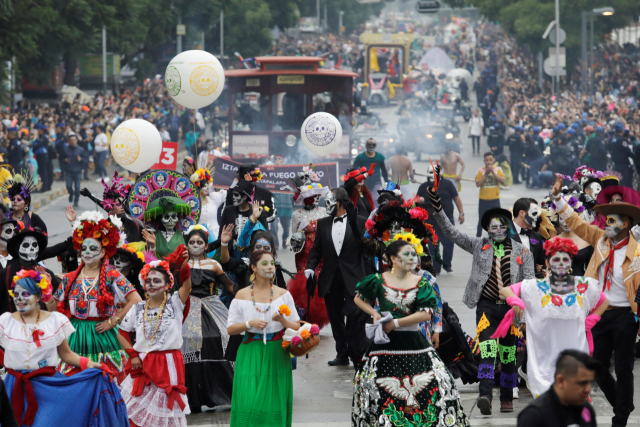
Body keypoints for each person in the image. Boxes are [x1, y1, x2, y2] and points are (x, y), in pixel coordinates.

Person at [427, 185, 534, 415]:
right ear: (487, 228)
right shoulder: (479, 245)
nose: (497, 228)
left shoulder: (522, 252)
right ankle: (485, 394)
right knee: (486, 351)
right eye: (493, 225)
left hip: (510, 310)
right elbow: (451, 233)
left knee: (507, 355)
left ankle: (506, 398)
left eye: (501, 225)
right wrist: (438, 207)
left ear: (507, 227)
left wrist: (523, 315)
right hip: (485, 308)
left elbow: (529, 285)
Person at [551, 174, 640, 427]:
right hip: (599, 313)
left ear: (624, 224)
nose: (606, 224)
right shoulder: (600, 240)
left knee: (623, 369)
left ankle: (620, 419)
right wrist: (558, 198)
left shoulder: (638, 252)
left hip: (625, 315)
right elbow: (575, 222)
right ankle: (622, 403)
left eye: (611, 221)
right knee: (598, 368)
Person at [352, 240, 470, 426]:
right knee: (374, 388)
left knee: (437, 383)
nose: (412, 258)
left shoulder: (421, 282)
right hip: (384, 346)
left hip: (414, 342)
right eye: (406, 254)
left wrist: (395, 323)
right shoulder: (378, 280)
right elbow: (358, 298)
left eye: (413, 255)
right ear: (392, 258)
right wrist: (375, 313)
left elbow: (425, 314)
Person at [1, 269, 129, 427]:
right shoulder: (5, 321)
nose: (19, 299)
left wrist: (92, 365)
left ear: (39, 296)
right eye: (16, 294)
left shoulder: (54, 320)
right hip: (13, 386)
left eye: (26, 294)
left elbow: (67, 355)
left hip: (47, 387)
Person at [498, 237, 608, 397]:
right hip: (544, 365)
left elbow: (604, 301)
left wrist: (593, 318)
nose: (561, 263)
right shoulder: (534, 287)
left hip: (574, 361)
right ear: (548, 263)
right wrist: (514, 300)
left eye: (566, 259)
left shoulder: (582, 286)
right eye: (556, 259)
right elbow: (505, 290)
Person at [50, 211, 142, 382]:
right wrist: (47, 293)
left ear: (102, 253)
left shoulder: (112, 275)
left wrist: (114, 321)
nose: (87, 252)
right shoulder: (70, 278)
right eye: (84, 248)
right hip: (75, 336)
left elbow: (136, 300)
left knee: (107, 380)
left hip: (103, 335)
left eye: (93, 248)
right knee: (74, 381)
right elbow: (53, 307)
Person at [226, 250, 301, 427]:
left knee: (273, 402)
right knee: (248, 400)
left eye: (272, 263)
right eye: (265, 264)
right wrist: (248, 323)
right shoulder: (242, 295)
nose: (270, 267)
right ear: (253, 267)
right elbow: (230, 329)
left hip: (276, 352)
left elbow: (297, 326)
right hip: (250, 351)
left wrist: (283, 320)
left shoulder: (283, 294)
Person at [117, 258, 192, 426]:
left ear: (167, 286)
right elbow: (121, 333)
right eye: (148, 281)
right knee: (135, 407)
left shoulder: (175, 303)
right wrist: (133, 355)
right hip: (143, 363)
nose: (151, 284)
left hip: (169, 363)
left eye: (157, 281)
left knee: (166, 410)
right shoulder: (137, 308)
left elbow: (186, 285)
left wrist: (183, 265)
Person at [305, 187, 370, 366]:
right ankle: (341, 353)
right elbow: (316, 250)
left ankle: (354, 351)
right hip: (331, 278)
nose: (326, 204)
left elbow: (368, 251)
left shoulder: (360, 222)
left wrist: (370, 276)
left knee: (353, 314)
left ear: (340, 202)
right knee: (335, 317)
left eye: (330, 200)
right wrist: (310, 268)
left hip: (354, 277)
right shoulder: (323, 223)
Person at [180, 225, 237, 411]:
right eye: (192, 242)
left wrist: (252, 295)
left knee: (223, 338)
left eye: (199, 242)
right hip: (187, 308)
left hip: (212, 307)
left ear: (206, 246)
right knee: (187, 343)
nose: (195, 245)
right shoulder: (181, 264)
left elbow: (230, 286)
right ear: (187, 245)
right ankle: (192, 399)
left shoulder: (214, 264)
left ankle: (225, 393)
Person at [287, 168, 330, 329]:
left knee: (320, 283)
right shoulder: (297, 214)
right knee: (303, 284)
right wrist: (300, 234)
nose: (315, 199)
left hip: (321, 253)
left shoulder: (325, 212)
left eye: (316, 196)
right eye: (311, 197)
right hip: (304, 254)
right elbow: (294, 236)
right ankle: (304, 316)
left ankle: (317, 319)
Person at [517, 350, 599, 427]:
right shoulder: (533, 416)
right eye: (582, 383)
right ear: (561, 381)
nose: (588, 389)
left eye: (589, 383)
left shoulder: (586, 409)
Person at [417, 165, 464, 274]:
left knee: (448, 243)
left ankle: (447, 265)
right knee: (433, 245)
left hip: (447, 219)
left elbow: (456, 198)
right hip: (430, 221)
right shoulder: (423, 187)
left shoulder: (448, 184)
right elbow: (417, 201)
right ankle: (436, 267)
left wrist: (461, 213)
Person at [512, 198, 546, 276]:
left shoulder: (537, 237)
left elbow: (541, 263)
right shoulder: (504, 234)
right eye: (534, 214)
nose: (537, 218)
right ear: (522, 213)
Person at [475, 152, 505, 237]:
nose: (488, 162)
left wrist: (493, 173)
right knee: (481, 219)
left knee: (496, 220)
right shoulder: (480, 170)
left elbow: (503, 181)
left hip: (495, 199)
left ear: (494, 160)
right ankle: (478, 238)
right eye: (487, 160)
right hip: (483, 199)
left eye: (490, 160)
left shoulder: (498, 169)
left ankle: (495, 237)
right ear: (484, 160)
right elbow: (478, 184)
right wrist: (486, 174)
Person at [352, 138, 388, 207]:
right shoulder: (360, 157)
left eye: (373, 145)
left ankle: (376, 215)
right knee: (364, 200)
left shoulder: (380, 157)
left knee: (376, 200)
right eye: (369, 145)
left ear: (375, 146)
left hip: (376, 182)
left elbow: (384, 170)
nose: (371, 147)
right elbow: (354, 170)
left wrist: (386, 181)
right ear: (366, 146)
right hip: (363, 183)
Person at [60, 133, 88, 208]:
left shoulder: (81, 150)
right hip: (68, 171)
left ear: (76, 141)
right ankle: (71, 194)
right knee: (69, 186)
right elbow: (61, 159)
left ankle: (76, 200)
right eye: (71, 140)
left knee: (77, 187)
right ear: (68, 141)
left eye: (74, 140)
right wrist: (64, 160)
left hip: (77, 171)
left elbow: (86, 160)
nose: (72, 141)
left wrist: (81, 159)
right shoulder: (65, 149)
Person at [609, 123, 634, 187]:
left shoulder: (613, 140)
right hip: (623, 165)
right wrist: (635, 157)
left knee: (619, 181)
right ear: (622, 130)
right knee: (625, 182)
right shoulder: (621, 140)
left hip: (616, 164)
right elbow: (628, 151)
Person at [33, 124, 52, 192]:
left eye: (39, 130)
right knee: (42, 172)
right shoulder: (40, 137)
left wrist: (35, 144)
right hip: (39, 156)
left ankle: (44, 187)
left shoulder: (44, 137)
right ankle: (44, 186)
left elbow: (37, 145)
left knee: (43, 172)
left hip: (43, 156)